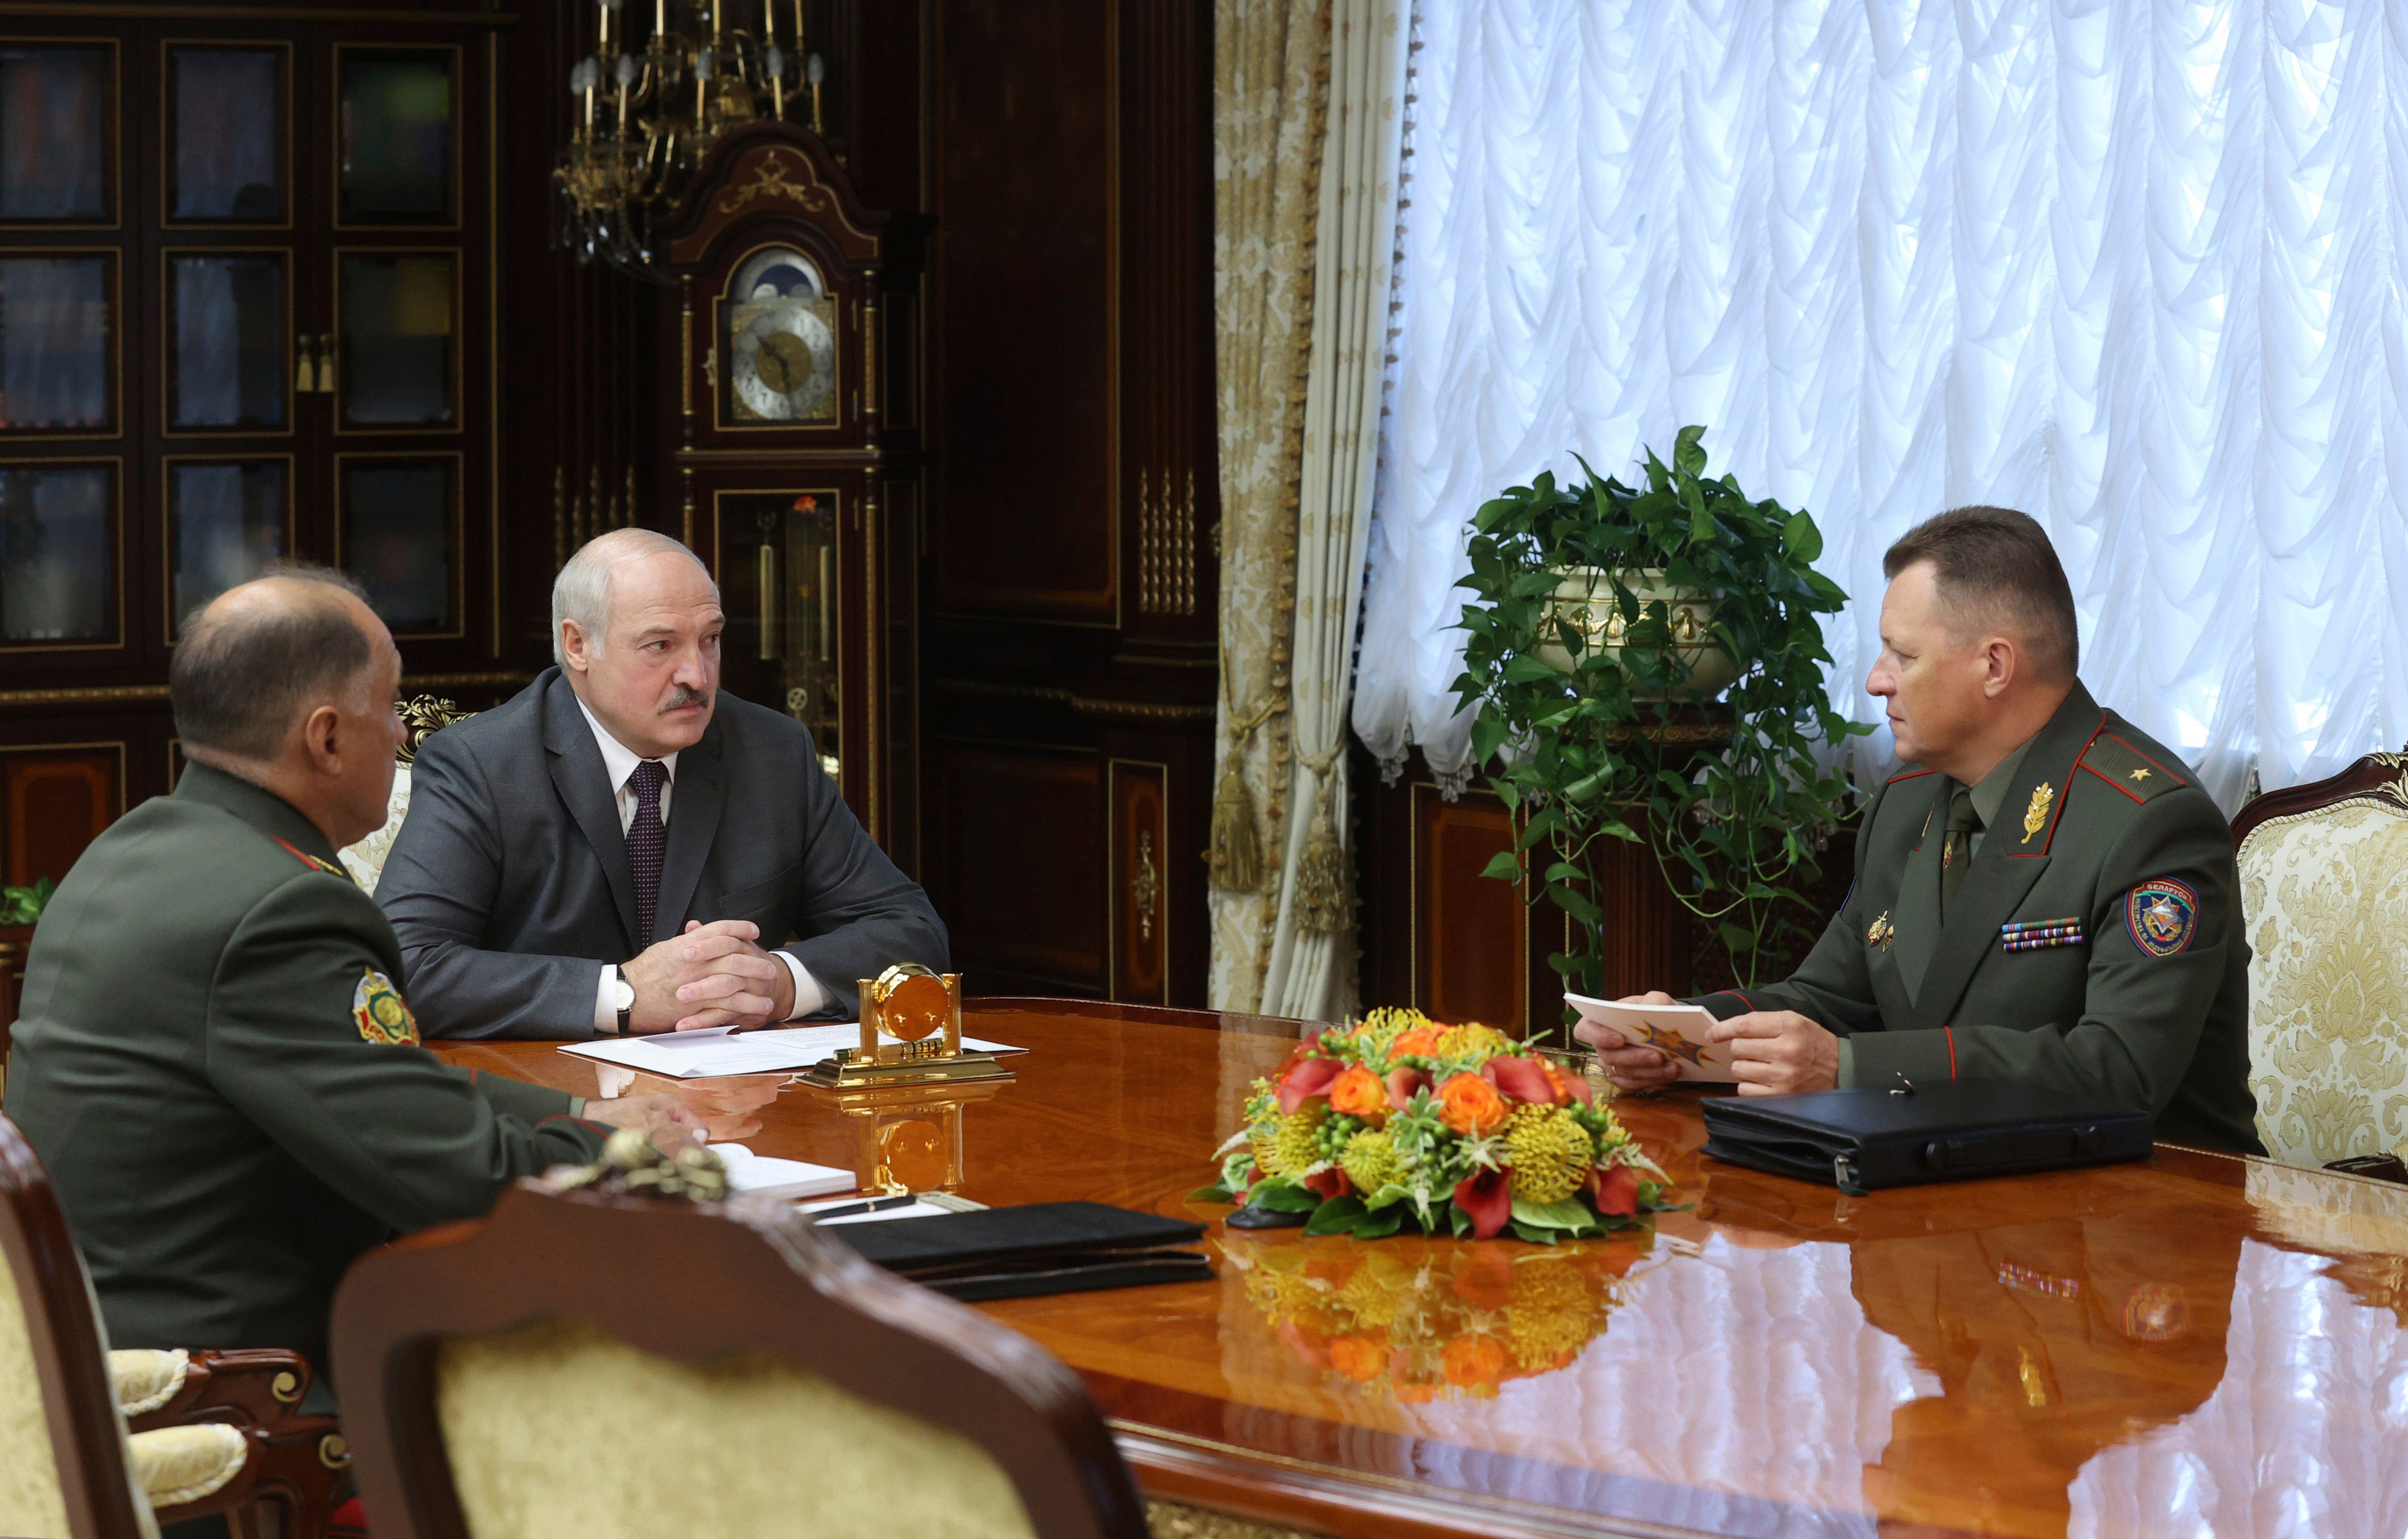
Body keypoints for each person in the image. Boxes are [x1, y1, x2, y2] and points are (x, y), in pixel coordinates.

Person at [2, 568, 700, 1404]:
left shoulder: (135, 846)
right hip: (241, 1401)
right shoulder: (278, 908)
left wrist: (582, 1112)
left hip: (102, 1357)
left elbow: (380, 1086)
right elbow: (454, 1177)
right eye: (391, 705)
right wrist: (624, 1152)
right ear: (326, 737)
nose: (404, 732)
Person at [1580, 506, 2261, 1154]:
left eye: (1902, 656)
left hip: (2148, 1221)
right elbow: (1830, 998)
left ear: (1995, 666)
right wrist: (1676, 1035)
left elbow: (2119, 1072)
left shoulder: (2150, 822)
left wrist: (1846, 1067)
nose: (1877, 681)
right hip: (1947, 1195)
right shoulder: (1908, 801)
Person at [376, 528, 947, 1039]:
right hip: (555, 1109)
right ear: (578, 646)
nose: (696, 675)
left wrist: (777, 983)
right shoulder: (483, 764)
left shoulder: (772, 752)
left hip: (738, 1107)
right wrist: (622, 994)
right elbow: (405, 966)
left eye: (711, 640)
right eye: (661, 645)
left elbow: (912, 932)